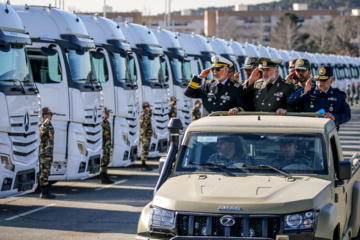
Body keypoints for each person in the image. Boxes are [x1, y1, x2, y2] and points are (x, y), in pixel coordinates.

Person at [287, 66, 351, 130]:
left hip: (329, 132)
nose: (320, 82)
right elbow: (290, 102)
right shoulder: (308, 92)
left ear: (331, 81)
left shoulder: (339, 95)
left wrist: (334, 117)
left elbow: (347, 114)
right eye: (318, 79)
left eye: (323, 80)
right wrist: (304, 90)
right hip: (309, 131)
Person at [39, 107, 56, 199]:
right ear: (45, 115)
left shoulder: (49, 124)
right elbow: (42, 133)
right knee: (44, 172)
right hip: (45, 153)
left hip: (48, 153)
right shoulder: (45, 125)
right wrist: (46, 121)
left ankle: (46, 191)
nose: (51, 116)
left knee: (47, 172)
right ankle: (43, 192)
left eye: (51, 115)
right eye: (49, 114)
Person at [100, 107, 114, 184]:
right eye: (107, 113)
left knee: (106, 160)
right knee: (103, 161)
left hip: (107, 145)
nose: (108, 115)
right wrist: (102, 147)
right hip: (104, 145)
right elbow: (101, 136)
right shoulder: (101, 123)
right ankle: (103, 177)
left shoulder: (107, 122)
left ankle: (105, 175)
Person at [139, 101, 153, 171]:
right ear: (145, 107)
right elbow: (147, 119)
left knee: (146, 149)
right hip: (144, 135)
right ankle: (143, 164)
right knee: (144, 149)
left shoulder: (146, 114)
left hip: (147, 135)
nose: (149, 108)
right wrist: (149, 112)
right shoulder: (144, 114)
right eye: (148, 107)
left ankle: (144, 163)